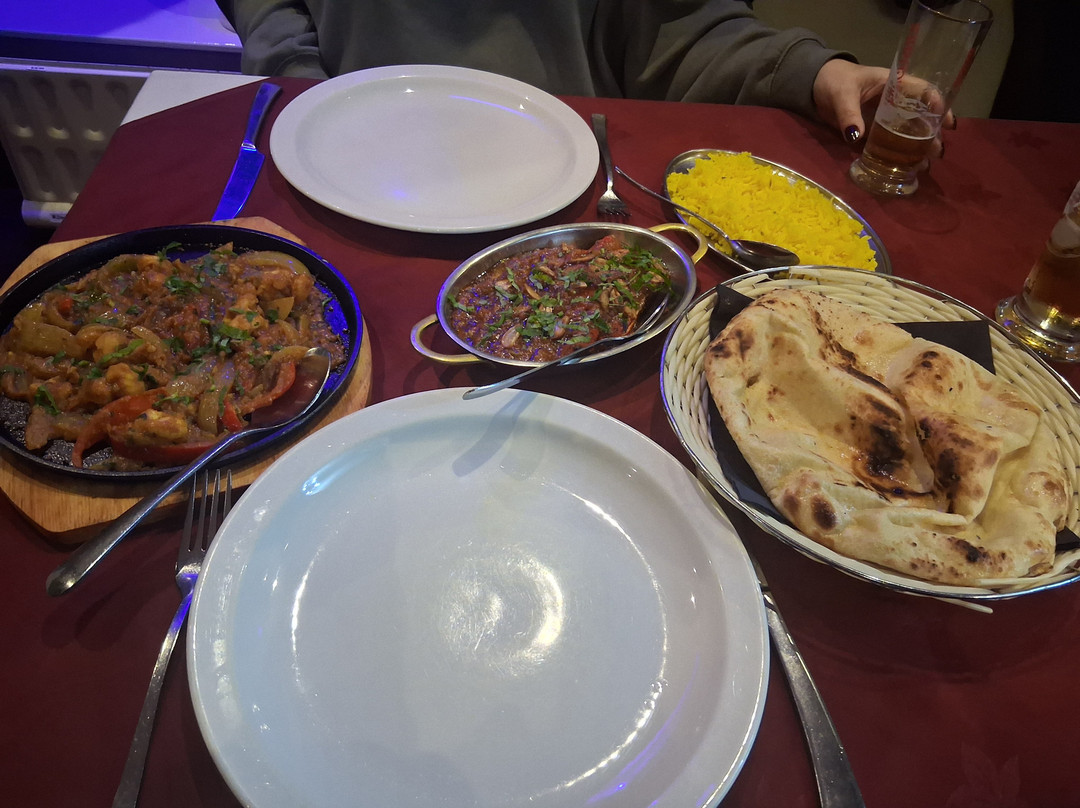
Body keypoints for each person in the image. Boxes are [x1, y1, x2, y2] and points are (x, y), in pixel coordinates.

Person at [216, 0, 890, 144]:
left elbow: (677, 30)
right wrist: (299, 77)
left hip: (566, 188)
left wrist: (811, 71)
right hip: (343, 149)